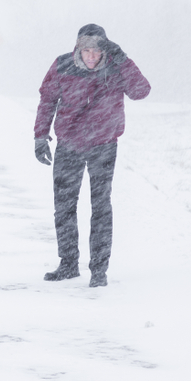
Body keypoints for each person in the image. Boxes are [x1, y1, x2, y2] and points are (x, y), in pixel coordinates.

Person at [33, 23, 150, 287]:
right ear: (78, 48)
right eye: (86, 50)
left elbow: (141, 91)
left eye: (97, 51)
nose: (91, 56)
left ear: (105, 50)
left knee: (100, 207)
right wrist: (40, 136)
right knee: (64, 207)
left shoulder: (116, 67)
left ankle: (99, 270)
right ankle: (68, 264)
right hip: (69, 145)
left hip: (103, 145)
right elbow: (47, 100)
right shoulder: (62, 65)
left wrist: (123, 59)